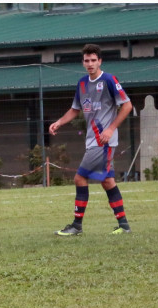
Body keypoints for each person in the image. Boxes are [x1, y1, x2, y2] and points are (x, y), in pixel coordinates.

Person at [49, 43, 133, 236]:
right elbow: (75, 109)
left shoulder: (110, 80)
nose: (90, 63)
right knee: (108, 182)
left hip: (103, 143)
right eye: (87, 60)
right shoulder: (81, 84)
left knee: (79, 178)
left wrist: (111, 129)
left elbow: (127, 106)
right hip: (92, 141)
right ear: (83, 62)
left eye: (93, 60)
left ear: (100, 61)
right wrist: (59, 122)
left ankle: (76, 226)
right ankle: (124, 225)